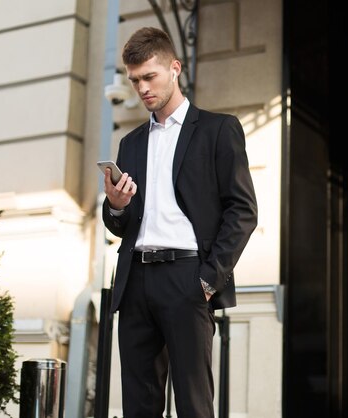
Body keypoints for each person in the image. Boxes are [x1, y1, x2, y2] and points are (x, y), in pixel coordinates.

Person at [101, 27, 258, 418]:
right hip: (135, 281)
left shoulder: (218, 130)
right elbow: (121, 223)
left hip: (187, 278)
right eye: (135, 79)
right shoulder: (131, 143)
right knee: (139, 405)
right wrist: (116, 206)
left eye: (149, 76)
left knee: (193, 404)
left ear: (175, 68)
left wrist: (208, 280)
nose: (142, 88)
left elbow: (243, 210)